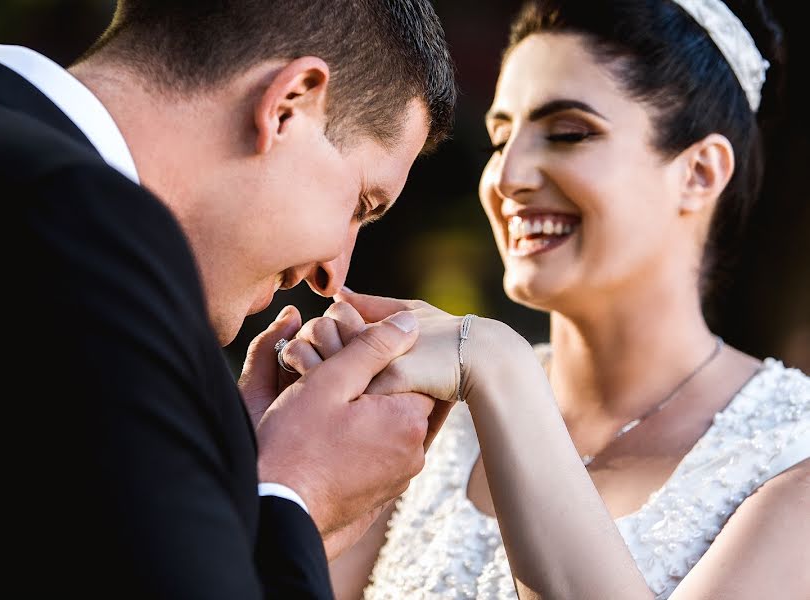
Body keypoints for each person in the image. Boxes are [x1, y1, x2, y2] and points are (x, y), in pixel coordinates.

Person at [0, 1, 456, 597]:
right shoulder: (75, 228)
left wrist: (221, 487)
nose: (334, 272)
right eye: (362, 205)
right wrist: (297, 494)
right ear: (290, 104)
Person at [277, 0, 809, 597]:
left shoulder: (791, 459)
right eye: (501, 140)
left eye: (567, 133)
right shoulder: (434, 425)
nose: (507, 179)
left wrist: (501, 366)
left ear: (700, 172)